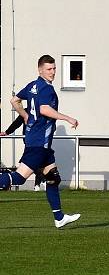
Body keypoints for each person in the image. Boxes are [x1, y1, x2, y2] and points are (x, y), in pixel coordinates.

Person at [0, 55, 81, 228]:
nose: (52, 72)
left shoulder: (32, 86)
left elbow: (14, 100)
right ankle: (59, 217)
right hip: (38, 143)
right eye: (49, 69)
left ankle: (59, 218)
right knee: (19, 178)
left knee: (53, 178)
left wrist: (25, 115)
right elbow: (44, 109)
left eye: (54, 68)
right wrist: (68, 118)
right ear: (40, 70)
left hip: (39, 143)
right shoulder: (46, 89)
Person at [0, 109, 46, 191]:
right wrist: (7, 132)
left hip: (39, 143)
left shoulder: (44, 110)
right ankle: (41, 182)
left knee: (34, 164)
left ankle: (41, 182)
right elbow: (17, 123)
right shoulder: (26, 110)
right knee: (33, 164)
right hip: (29, 143)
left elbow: (51, 126)